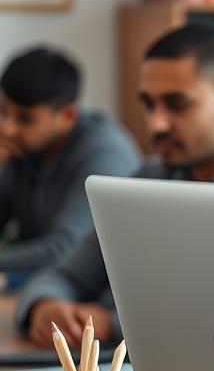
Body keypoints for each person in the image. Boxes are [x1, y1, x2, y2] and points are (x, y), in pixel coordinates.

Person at [17, 23, 214, 344]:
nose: (156, 124)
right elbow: (63, 275)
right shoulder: (146, 182)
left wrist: (112, 325)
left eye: (177, 105)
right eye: (149, 104)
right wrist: (45, 307)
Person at [0, 47, 139, 280]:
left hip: (96, 291)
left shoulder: (104, 154)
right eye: (3, 112)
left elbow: (66, 249)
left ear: (67, 116)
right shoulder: (22, 148)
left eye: (25, 118)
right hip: (42, 280)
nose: (8, 129)